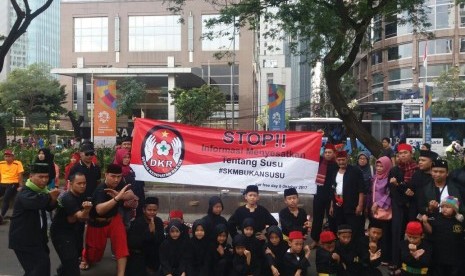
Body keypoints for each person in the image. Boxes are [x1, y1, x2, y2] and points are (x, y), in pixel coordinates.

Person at [8, 163, 60, 276]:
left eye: (46, 177)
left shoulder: (42, 191)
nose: (44, 180)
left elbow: (48, 206)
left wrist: (53, 199)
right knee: (37, 270)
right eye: (41, 177)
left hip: (37, 239)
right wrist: (50, 196)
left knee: (40, 268)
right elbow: (35, 202)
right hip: (24, 241)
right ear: (31, 176)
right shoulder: (25, 192)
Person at [84, 164, 132, 276]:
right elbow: (100, 210)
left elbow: (131, 194)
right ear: (106, 175)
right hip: (97, 222)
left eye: (119, 176)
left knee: (122, 246)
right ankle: (85, 257)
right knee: (94, 254)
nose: (116, 179)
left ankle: (121, 274)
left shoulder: (121, 183)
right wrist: (117, 198)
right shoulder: (100, 189)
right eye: (113, 176)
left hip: (114, 219)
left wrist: (122, 196)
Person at [50, 172, 92, 276]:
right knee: (72, 266)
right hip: (61, 234)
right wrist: (86, 210)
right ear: (71, 183)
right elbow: (82, 217)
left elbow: (78, 219)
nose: (82, 186)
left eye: (84, 183)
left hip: (74, 232)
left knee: (73, 258)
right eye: (79, 183)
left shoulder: (81, 195)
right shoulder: (68, 198)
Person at [389, 143, 418, 272]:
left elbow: (416, 189)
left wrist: (401, 186)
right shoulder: (394, 170)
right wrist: (404, 191)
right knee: (397, 233)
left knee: (413, 234)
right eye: (400, 154)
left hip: (413, 206)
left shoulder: (417, 170)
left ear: (411, 154)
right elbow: (393, 190)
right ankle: (396, 261)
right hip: (398, 206)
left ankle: (412, 261)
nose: (402, 156)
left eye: (405, 153)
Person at [421, 196, 464, 276]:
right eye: (442, 207)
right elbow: (430, 231)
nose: (444, 209)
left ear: (454, 209)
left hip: (455, 257)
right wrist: (425, 223)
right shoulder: (437, 217)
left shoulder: (459, 221)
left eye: (447, 207)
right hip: (439, 256)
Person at [328, 150, 366, 240]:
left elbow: (361, 190)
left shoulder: (355, 171)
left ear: (347, 159)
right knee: (340, 228)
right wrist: (331, 206)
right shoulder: (335, 172)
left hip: (352, 205)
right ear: (336, 160)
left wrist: (360, 205)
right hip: (338, 205)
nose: (341, 162)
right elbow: (333, 189)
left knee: (353, 229)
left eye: (343, 160)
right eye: (339, 160)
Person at [126, 197, 165, 276]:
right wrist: (148, 232)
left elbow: (161, 241)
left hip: (153, 256)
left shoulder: (158, 221)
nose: (152, 212)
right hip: (138, 257)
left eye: (154, 210)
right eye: (149, 210)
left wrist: (154, 232)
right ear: (144, 210)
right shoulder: (137, 223)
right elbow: (132, 243)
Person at [367, 156, 393, 265]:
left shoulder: (389, 179)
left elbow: (389, 194)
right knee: (374, 234)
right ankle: (374, 254)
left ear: (387, 166)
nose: (378, 168)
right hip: (374, 210)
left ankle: (385, 257)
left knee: (385, 235)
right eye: (377, 165)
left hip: (384, 210)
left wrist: (378, 204)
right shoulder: (375, 177)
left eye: (381, 166)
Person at [311, 142, 338, 248]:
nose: (327, 154)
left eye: (329, 152)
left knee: (332, 219)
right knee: (317, 217)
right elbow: (313, 150)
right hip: (319, 194)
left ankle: (332, 240)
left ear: (334, 153)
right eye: (326, 152)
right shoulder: (320, 162)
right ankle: (315, 239)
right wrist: (317, 138)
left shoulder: (336, 165)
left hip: (331, 196)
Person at [113, 148, 145, 217]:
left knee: (128, 223)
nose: (127, 159)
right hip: (119, 203)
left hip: (129, 202)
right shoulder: (114, 170)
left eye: (128, 157)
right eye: (124, 157)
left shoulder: (130, 169)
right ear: (119, 157)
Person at [408, 150, 437, 219]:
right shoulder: (416, 174)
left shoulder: (437, 176)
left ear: (432, 163)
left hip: (433, 211)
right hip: (416, 211)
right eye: (419, 160)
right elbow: (411, 190)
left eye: (423, 160)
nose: (420, 162)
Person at [0, 149, 24, 223]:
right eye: (6, 156)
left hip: (13, 183)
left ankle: (1, 216)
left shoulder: (17, 163)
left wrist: (20, 185)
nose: (7, 158)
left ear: (13, 157)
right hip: (2, 183)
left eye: (9, 156)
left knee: (6, 198)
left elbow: (20, 175)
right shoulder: (1, 163)